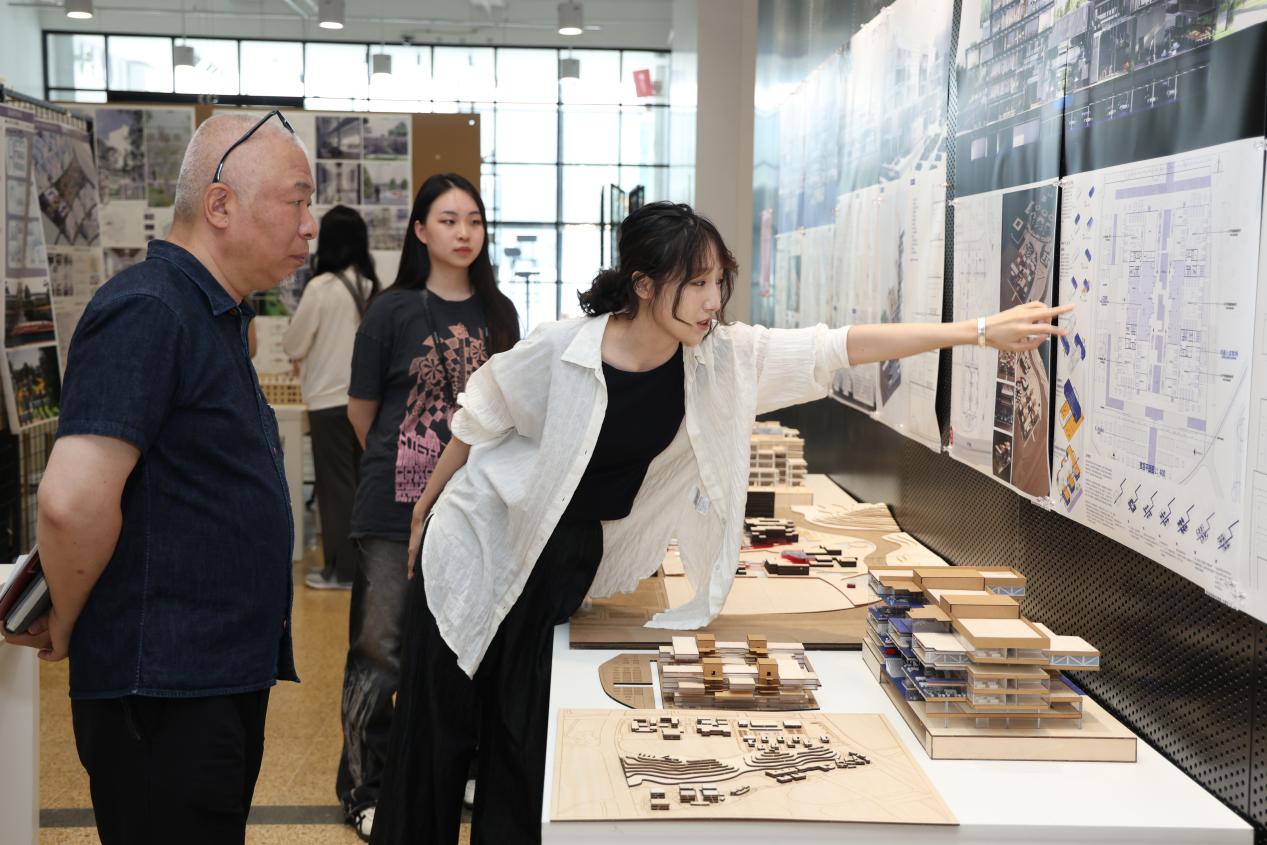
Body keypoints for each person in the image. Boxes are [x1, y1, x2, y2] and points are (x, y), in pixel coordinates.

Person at [370, 200, 1071, 845]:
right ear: (644, 284)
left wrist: (979, 332)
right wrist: (427, 507)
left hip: (563, 562)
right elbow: (480, 413)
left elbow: (835, 347)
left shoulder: (721, 361)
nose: (712, 301)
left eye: (718, 282)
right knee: (434, 735)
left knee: (523, 742)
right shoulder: (563, 348)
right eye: (696, 283)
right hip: (481, 542)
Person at [2, 110, 315, 843]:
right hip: (164, 689)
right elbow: (72, 500)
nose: (309, 226)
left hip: (207, 679)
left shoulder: (211, 314)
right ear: (219, 205)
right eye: (296, 201)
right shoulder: (149, 308)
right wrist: (68, 615)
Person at [337, 173, 520, 840]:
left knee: (461, 646)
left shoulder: (499, 314)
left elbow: (509, 412)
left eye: (473, 219)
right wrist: (410, 473)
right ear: (420, 230)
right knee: (379, 651)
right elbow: (361, 412)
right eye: (448, 220)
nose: (463, 232)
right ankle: (365, 784)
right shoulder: (391, 310)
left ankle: (455, 769)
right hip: (392, 511)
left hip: (473, 512)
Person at [283, 205, 380, 590]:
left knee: (335, 489)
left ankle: (341, 572)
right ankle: (363, 569)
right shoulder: (371, 287)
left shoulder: (321, 288)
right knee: (360, 487)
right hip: (367, 402)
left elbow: (294, 343)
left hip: (327, 402)